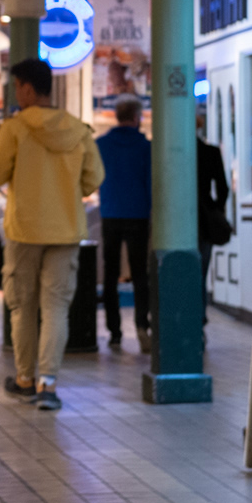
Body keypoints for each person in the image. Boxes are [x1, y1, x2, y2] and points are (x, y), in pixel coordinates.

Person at [0, 57, 104, 412]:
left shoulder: (15, 128)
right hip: (66, 230)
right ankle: (48, 384)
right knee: (56, 308)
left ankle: (24, 379)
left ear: (26, 87)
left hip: (24, 230)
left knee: (22, 306)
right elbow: (94, 179)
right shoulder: (78, 129)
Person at [95, 96, 153, 349]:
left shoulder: (101, 145)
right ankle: (142, 325)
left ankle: (115, 331)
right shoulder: (145, 147)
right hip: (138, 214)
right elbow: (151, 183)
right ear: (136, 117)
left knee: (110, 274)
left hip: (110, 213)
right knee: (140, 273)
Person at [197, 118, 232, 325]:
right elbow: (223, 188)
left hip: (178, 220)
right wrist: (215, 210)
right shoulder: (210, 152)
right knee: (200, 273)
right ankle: (199, 319)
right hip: (205, 220)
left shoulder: (170, 153)